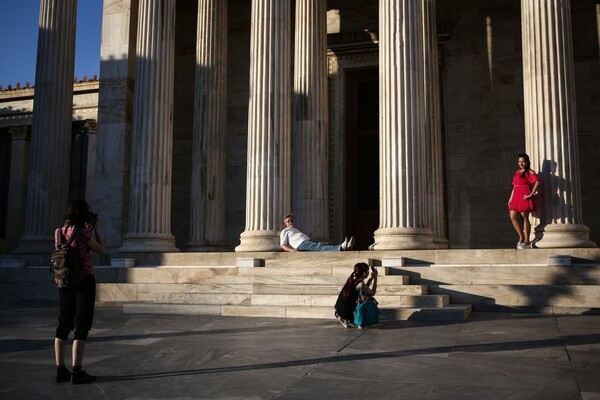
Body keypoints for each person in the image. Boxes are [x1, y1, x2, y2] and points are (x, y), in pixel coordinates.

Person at [54, 199, 105, 384]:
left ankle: (60, 369)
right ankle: (77, 370)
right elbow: (101, 249)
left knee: (63, 324)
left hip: (64, 281)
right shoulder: (83, 233)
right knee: (81, 325)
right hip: (83, 280)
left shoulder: (59, 232)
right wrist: (95, 229)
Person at [508, 153, 540, 249]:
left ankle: (526, 240)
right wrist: (510, 198)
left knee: (524, 218)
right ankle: (521, 236)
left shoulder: (529, 172)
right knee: (512, 216)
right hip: (516, 196)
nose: (521, 164)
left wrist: (531, 194)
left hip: (524, 195)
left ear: (527, 162)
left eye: (523, 162)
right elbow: (514, 186)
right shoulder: (517, 172)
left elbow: (537, 182)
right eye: (519, 162)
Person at [334, 262, 378, 328]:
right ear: (364, 273)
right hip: (346, 312)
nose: (368, 273)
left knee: (363, 297)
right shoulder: (360, 284)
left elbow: (364, 290)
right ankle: (348, 318)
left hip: (339, 309)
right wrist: (375, 278)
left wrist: (371, 279)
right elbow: (372, 293)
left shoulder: (352, 279)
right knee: (369, 299)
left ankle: (345, 318)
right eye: (367, 271)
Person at [280, 213, 354, 252]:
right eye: (288, 221)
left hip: (307, 242)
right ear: (285, 223)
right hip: (301, 244)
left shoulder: (295, 230)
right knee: (320, 247)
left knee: (323, 245)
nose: (290, 222)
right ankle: (341, 247)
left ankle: (346, 248)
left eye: (291, 220)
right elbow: (283, 245)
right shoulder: (284, 231)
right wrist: (292, 250)